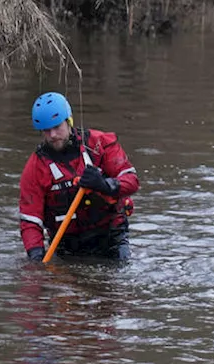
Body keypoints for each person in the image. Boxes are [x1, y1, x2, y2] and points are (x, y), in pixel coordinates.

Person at [18, 92, 139, 261]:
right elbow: (30, 220)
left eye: (57, 127)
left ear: (69, 121)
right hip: (67, 246)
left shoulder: (100, 144)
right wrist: (36, 256)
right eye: (46, 130)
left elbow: (132, 181)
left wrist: (105, 185)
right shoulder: (35, 168)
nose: (52, 135)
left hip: (112, 237)